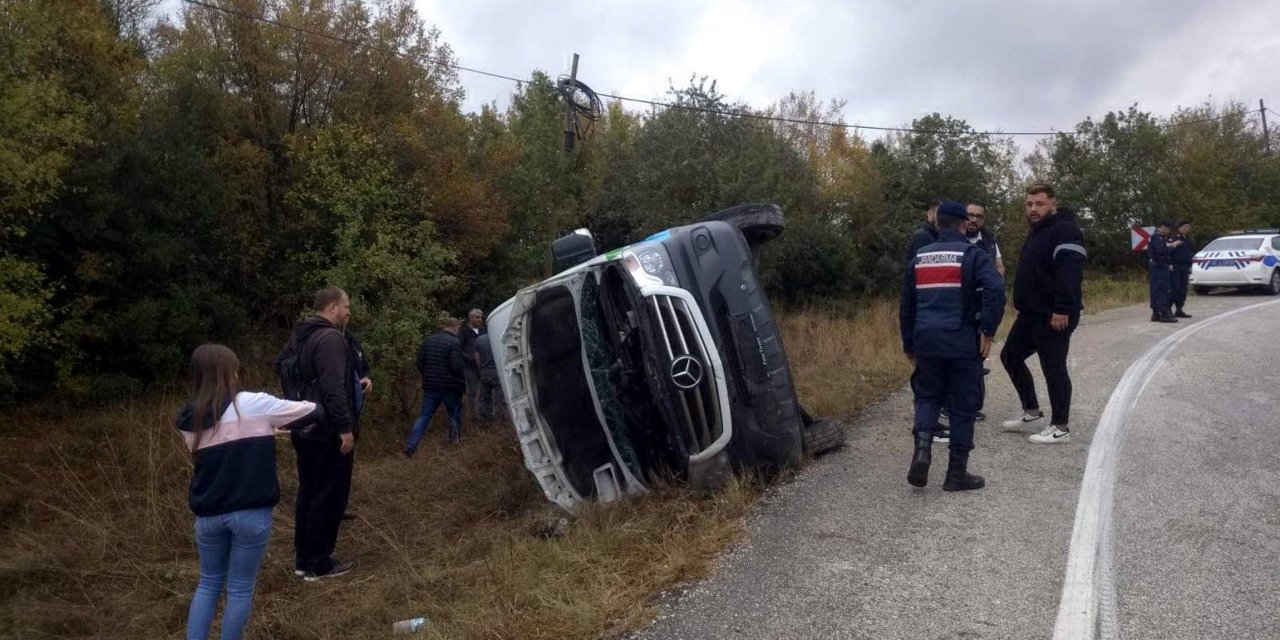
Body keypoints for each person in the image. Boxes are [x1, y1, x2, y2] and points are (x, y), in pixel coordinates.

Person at [177, 344, 323, 639]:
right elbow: (313, 411)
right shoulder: (253, 403)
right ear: (229, 372)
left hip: (208, 514)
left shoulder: (188, 419)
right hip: (250, 513)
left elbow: (223, 443)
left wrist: (264, 429)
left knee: (207, 584)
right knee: (240, 588)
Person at [900, 201, 1006, 490]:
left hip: (926, 341)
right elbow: (996, 289)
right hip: (961, 342)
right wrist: (988, 331)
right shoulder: (972, 254)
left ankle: (922, 453)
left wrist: (909, 343)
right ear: (962, 224)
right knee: (962, 406)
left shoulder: (919, 257)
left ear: (937, 223)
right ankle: (956, 474)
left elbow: (907, 305)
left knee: (927, 398)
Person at [282, 286, 360, 581]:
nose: (348, 311)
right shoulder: (329, 339)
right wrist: (344, 428)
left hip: (304, 426)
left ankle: (304, 560)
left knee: (309, 493)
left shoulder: (300, 338)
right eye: (346, 306)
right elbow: (332, 388)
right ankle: (320, 563)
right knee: (329, 496)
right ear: (331, 308)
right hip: (327, 432)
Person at [1000, 183, 1087, 444]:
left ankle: (1060, 427)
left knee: (1053, 368)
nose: (1033, 209)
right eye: (1029, 204)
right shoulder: (1037, 231)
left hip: (1054, 314)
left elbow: (1070, 272)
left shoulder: (1065, 230)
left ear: (1053, 203)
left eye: (1039, 203)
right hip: (1030, 314)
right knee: (1010, 356)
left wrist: (1061, 308)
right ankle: (1031, 410)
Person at [404, 317, 467, 455]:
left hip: (431, 385)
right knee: (454, 414)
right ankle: (454, 443)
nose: (458, 330)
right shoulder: (454, 342)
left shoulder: (429, 340)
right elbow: (456, 366)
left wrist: (427, 375)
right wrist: (461, 380)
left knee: (424, 416)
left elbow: (419, 361)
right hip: (450, 386)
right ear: (454, 326)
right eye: (458, 328)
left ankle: (410, 446)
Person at [1147, 220, 1178, 323]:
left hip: (1160, 265)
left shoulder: (1159, 237)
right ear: (1163, 227)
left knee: (1157, 289)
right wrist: (1171, 246)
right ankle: (1164, 313)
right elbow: (1160, 251)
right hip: (1158, 266)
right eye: (1168, 229)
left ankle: (1156, 313)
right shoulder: (1157, 237)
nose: (1169, 231)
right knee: (1162, 289)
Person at [458, 308, 487, 419]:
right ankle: (474, 416)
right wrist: (469, 358)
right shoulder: (463, 332)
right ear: (471, 318)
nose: (480, 319)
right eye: (477, 317)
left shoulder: (484, 331)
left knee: (485, 390)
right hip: (469, 367)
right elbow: (459, 348)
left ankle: (485, 413)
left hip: (484, 366)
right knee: (472, 391)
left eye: (481, 317)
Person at [965, 201, 1005, 276]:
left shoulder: (989, 240)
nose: (974, 220)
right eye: (970, 215)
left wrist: (995, 282)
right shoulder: (953, 240)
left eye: (978, 217)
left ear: (983, 220)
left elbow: (1000, 266)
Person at [473, 331, 503, 421]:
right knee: (501, 397)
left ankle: (484, 419)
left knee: (484, 397)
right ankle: (501, 419)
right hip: (498, 372)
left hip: (485, 371)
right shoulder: (500, 338)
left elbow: (476, 356)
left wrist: (481, 368)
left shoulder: (479, 339)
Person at [904, 198, 943, 263]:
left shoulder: (938, 235)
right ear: (930, 214)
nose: (943, 218)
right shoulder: (922, 236)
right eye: (940, 214)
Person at [1170, 221, 1194, 318]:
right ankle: (1169, 309)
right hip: (1176, 266)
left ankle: (1179, 309)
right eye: (1184, 226)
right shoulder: (1175, 238)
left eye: (1188, 226)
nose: (1186, 228)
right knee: (1175, 288)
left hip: (1185, 267)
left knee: (1183, 289)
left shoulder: (1188, 239)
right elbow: (1169, 251)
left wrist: (1190, 265)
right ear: (1179, 228)